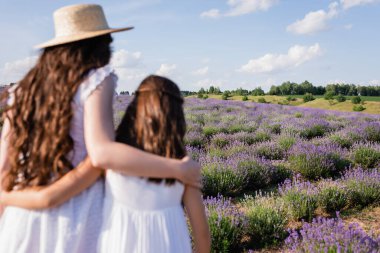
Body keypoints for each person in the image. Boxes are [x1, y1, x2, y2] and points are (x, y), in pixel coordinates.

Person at [0, 4, 201, 253]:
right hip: (76, 216)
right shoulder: (96, 79)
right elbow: (101, 153)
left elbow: (4, 172)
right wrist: (177, 169)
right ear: (99, 44)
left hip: (20, 217)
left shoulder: (21, 91)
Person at [2, 75, 211, 253]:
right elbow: (202, 236)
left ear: (134, 111)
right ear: (176, 117)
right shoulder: (185, 169)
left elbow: (54, 197)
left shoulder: (110, 163)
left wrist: (9, 197)